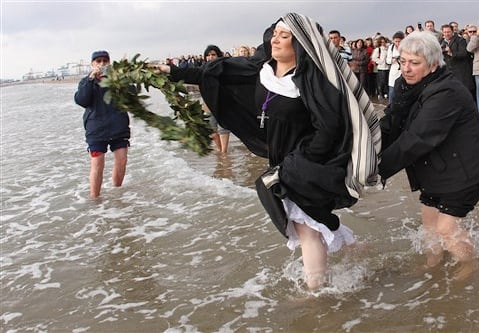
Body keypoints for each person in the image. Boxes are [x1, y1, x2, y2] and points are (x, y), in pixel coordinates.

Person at [156, 13, 380, 290]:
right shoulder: (260, 69)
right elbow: (216, 72)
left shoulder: (314, 80)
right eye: (275, 33)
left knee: (306, 227)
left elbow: (330, 126)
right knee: (311, 216)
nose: (275, 39)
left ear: (301, 44)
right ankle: (355, 249)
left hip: (308, 162)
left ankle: (317, 294)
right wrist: (171, 72)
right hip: (281, 156)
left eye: (284, 36)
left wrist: (303, 161)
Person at [379, 31, 479, 281]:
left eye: (415, 63)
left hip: (465, 171)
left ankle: (470, 264)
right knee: (429, 224)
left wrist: (376, 171)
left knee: (446, 228)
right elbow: (391, 124)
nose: (407, 69)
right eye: (403, 61)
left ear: (433, 64)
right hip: (437, 168)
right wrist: (365, 151)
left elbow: (416, 139)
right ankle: (433, 263)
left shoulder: (447, 91)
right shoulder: (405, 86)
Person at [74, 50, 131, 198]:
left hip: (118, 126)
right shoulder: (86, 81)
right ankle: (95, 200)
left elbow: (131, 95)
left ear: (109, 63)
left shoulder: (117, 79)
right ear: (92, 64)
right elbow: (81, 100)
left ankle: (117, 194)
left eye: (105, 61)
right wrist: (90, 79)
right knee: (97, 164)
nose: (101, 64)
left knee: (122, 160)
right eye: (98, 61)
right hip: (96, 129)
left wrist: (119, 79)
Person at [202, 45, 231, 153]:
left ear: (218, 56)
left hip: (222, 101)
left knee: (223, 127)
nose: (210, 57)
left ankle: (224, 153)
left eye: (213, 54)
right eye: (208, 55)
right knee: (211, 129)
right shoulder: (202, 70)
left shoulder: (224, 69)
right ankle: (220, 151)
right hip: (208, 102)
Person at [440, 24, 474, 96]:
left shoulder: (460, 40)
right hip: (448, 71)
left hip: (461, 72)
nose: (447, 34)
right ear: (442, 33)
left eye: (448, 32)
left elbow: (464, 54)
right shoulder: (441, 42)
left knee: (463, 93)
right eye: (445, 32)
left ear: (452, 32)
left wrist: (451, 53)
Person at [386, 31, 404, 104]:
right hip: (394, 70)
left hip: (403, 71)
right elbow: (388, 60)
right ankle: (390, 107)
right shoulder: (391, 47)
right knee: (392, 91)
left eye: (399, 41)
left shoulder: (406, 47)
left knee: (402, 90)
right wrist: (393, 59)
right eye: (396, 41)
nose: (397, 43)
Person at [371, 36, 390, 100]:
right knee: (381, 82)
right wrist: (380, 62)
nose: (383, 43)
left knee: (386, 81)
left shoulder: (388, 49)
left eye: (384, 42)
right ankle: (380, 94)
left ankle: (385, 93)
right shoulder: (378, 49)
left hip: (388, 67)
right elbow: (373, 58)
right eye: (381, 42)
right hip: (381, 68)